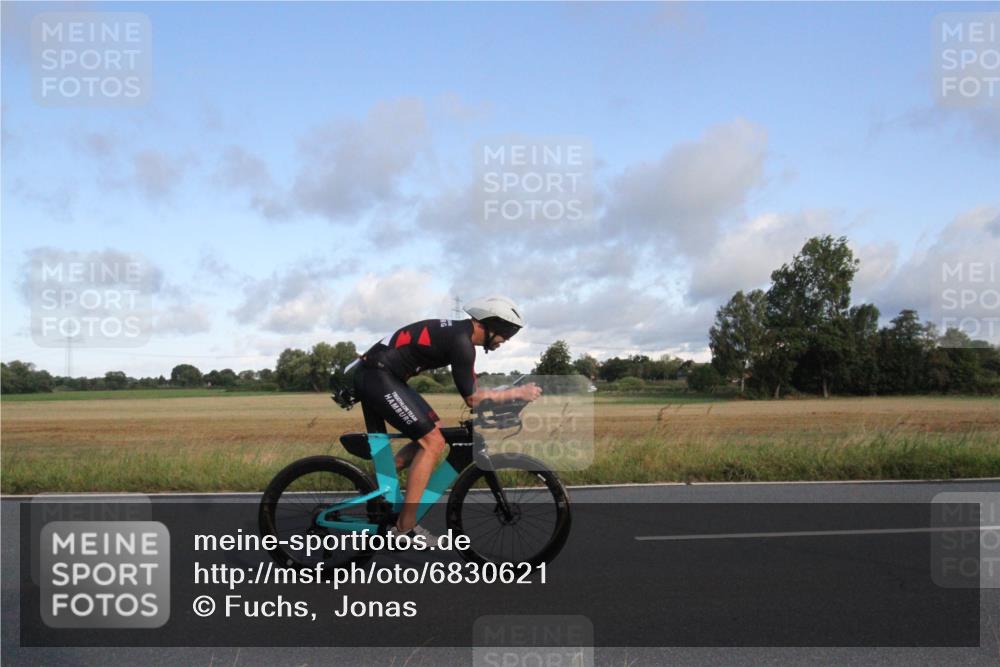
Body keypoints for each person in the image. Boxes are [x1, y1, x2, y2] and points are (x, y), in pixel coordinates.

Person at [352, 295, 542, 543]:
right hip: (376, 375)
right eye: (506, 334)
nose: (505, 341)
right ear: (492, 325)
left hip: (385, 375)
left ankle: (371, 482)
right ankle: (404, 528)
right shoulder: (461, 342)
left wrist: (507, 394)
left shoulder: (459, 335)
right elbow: (473, 399)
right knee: (432, 443)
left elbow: (474, 388)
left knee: (436, 432)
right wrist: (516, 393)